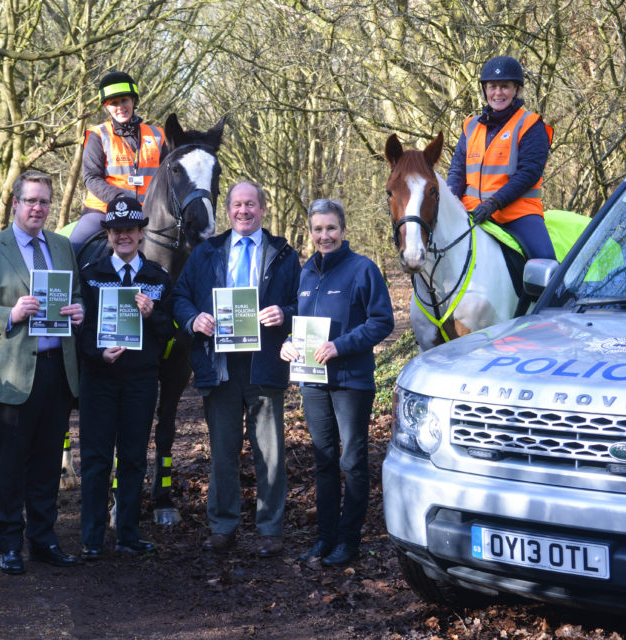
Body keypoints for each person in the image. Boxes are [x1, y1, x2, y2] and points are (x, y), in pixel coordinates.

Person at [0, 171, 84, 575]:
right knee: (10, 463)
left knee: (48, 462)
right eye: (30, 200)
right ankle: (9, 542)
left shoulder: (62, 247)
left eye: (44, 201)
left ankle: (43, 538)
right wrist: (9, 314)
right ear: (15, 203)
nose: (38, 208)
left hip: (56, 371)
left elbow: (75, 294)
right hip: (11, 374)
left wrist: (78, 311)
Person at [172, 180, 301, 557]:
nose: (243, 211)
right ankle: (223, 526)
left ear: (263, 209)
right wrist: (194, 319)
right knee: (223, 451)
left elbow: (302, 302)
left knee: (270, 453)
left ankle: (270, 529)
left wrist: (286, 314)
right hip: (220, 365)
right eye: (236, 205)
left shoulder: (283, 254)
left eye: (251, 205)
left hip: (266, 365)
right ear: (227, 210)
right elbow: (179, 297)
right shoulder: (207, 252)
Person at [281, 199, 394, 567]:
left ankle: (349, 541)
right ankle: (324, 538)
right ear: (310, 233)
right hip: (312, 382)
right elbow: (297, 320)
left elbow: (382, 322)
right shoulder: (305, 273)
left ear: (344, 231)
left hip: (351, 382)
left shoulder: (363, 270)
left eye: (331, 228)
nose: (324, 236)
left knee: (352, 461)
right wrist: (287, 344)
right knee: (324, 460)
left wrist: (340, 345)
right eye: (318, 229)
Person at [77, 197, 175, 560]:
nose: (124, 237)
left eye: (130, 231)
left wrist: (152, 315)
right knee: (95, 458)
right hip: (99, 380)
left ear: (140, 233)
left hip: (140, 381)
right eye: (116, 231)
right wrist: (97, 353)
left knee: (133, 458)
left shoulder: (158, 278)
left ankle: (128, 534)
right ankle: (91, 537)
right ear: (108, 234)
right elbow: (81, 329)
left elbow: (170, 333)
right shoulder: (89, 274)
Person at [446, 56, 555, 259]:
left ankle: (555, 291)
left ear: (517, 90)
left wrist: (494, 203)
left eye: (504, 86)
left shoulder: (530, 124)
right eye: (492, 87)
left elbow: (529, 173)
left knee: (544, 261)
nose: (498, 93)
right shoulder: (470, 125)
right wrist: (450, 201)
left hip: (517, 213)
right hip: (470, 211)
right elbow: (457, 170)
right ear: (485, 90)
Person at [68, 71, 167, 251]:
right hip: (103, 210)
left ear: (133, 101)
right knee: (72, 249)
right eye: (114, 103)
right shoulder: (97, 135)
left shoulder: (158, 135)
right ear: (106, 107)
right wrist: (119, 198)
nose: (120, 107)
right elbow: (91, 178)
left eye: (124, 101)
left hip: (149, 211)